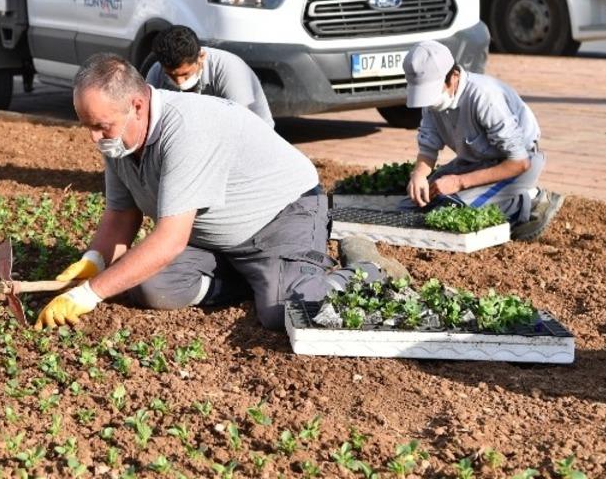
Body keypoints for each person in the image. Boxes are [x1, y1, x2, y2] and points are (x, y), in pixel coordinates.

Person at [35, 54, 408, 330]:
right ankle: (256, 279)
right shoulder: (122, 139)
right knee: (150, 287)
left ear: (137, 105)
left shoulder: (186, 130)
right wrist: (96, 261)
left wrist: (89, 294)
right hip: (214, 238)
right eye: (87, 126)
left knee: (285, 313)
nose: (94, 137)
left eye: (101, 126)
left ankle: (367, 269)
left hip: (282, 218)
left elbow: (168, 241)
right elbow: (122, 214)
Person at [401, 40, 563, 241]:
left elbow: (519, 162)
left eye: (432, 93)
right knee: (427, 201)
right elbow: (428, 147)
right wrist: (418, 175)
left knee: (458, 209)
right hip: (476, 161)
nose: (428, 102)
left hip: (517, 164)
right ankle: (503, 196)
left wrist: (459, 182)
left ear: (454, 77)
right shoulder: (433, 104)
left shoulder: (484, 97)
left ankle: (532, 199)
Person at [145, 25, 273, 126]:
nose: (179, 82)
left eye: (185, 74)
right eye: (171, 76)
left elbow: (241, 124)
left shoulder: (229, 69)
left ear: (201, 57)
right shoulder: (157, 73)